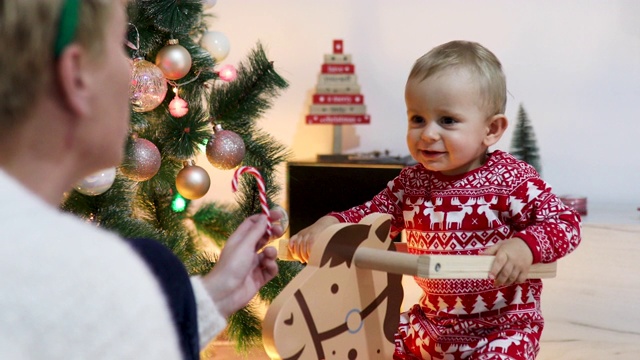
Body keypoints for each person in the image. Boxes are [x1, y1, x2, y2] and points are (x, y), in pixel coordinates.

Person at [0, 0, 280, 359]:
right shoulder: (100, 276)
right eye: (123, 47)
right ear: (76, 75)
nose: (133, 70)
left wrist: (216, 294)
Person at [289, 40, 581, 359]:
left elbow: (566, 223)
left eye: (447, 121)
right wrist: (330, 223)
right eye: (417, 119)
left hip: (501, 328)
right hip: (431, 324)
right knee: (367, 338)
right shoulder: (412, 183)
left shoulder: (511, 179)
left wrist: (525, 246)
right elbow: (370, 214)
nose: (427, 134)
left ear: (491, 129)